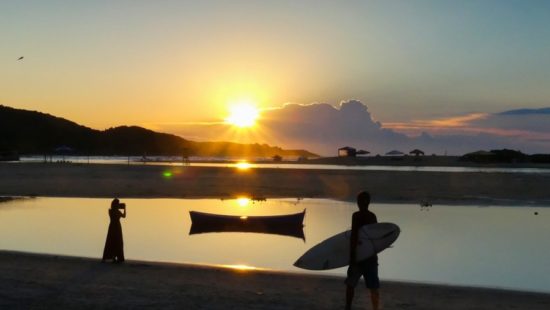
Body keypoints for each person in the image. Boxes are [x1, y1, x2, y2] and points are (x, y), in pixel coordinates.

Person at [345, 191, 380, 310]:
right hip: (371, 256)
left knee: (351, 284)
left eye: (360, 201)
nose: (359, 204)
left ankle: (348, 307)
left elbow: (354, 236)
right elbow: (376, 238)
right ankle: (375, 308)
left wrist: (352, 256)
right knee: (373, 287)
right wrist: (376, 254)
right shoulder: (372, 216)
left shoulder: (356, 216)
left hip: (359, 256)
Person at [102, 198, 126, 263]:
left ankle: (112, 256)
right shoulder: (117, 212)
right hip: (117, 227)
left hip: (112, 227)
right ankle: (116, 257)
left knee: (111, 241)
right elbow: (124, 216)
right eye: (118, 204)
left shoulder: (110, 211)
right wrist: (125, 209)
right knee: (118, 241)